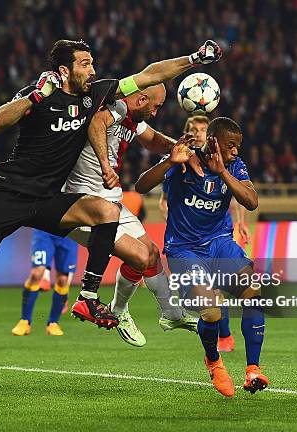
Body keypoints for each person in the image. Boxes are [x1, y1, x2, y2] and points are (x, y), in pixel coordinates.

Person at [0, 38, 223, 376]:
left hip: (49, 199)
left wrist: (194, 59)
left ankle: (87, 296)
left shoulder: (96, 95)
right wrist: (36, 96)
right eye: (85, 64)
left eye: (92, 62)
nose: (92, 69)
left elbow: (150, 76)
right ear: (65, 70)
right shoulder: (39, 94)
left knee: (106, 211)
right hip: (10, 195)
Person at [135, 117, 268, 397]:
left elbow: (252, 202)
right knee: (211, 311)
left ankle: (253, 369)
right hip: (184, 249)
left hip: (220, 244)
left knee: (254, 293)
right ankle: (214, 361)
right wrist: (169, 162)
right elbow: (141, 186)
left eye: (238, 146)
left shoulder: (234, 166)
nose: (235, 151)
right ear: (215, 142)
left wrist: (222, 172)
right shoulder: (183, 160)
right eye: (231, 146)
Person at [66, 84, 202, 347]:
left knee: (150, 253)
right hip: (81, 204)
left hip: (110, 199)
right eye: (155, 106)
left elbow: (154, 140)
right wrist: (106, 166)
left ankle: (170, 315)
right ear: (140, 98)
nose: (156, 112)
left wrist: (184, 152)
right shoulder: (112, 109)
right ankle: (115, 307)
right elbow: (96, 122)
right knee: (140, 257)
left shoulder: (131, 119)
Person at [158, 114, 250, 353]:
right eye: (194, 129)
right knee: (210, 299)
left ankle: (225, 336)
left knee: (221, 290)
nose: (198, 133)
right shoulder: (182, 163)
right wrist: (175, 220)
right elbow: (164, 200)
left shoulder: (229, 165)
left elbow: (239, 197)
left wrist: (240, 221)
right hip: (186, 242)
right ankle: (218, 336)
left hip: (218, 235)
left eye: (202, 128)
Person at [12, 229, 78, 336]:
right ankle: (24, 321)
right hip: (44, 231)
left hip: (69, 234)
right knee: (36, 273)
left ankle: (53, 323)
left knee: (63, 279)